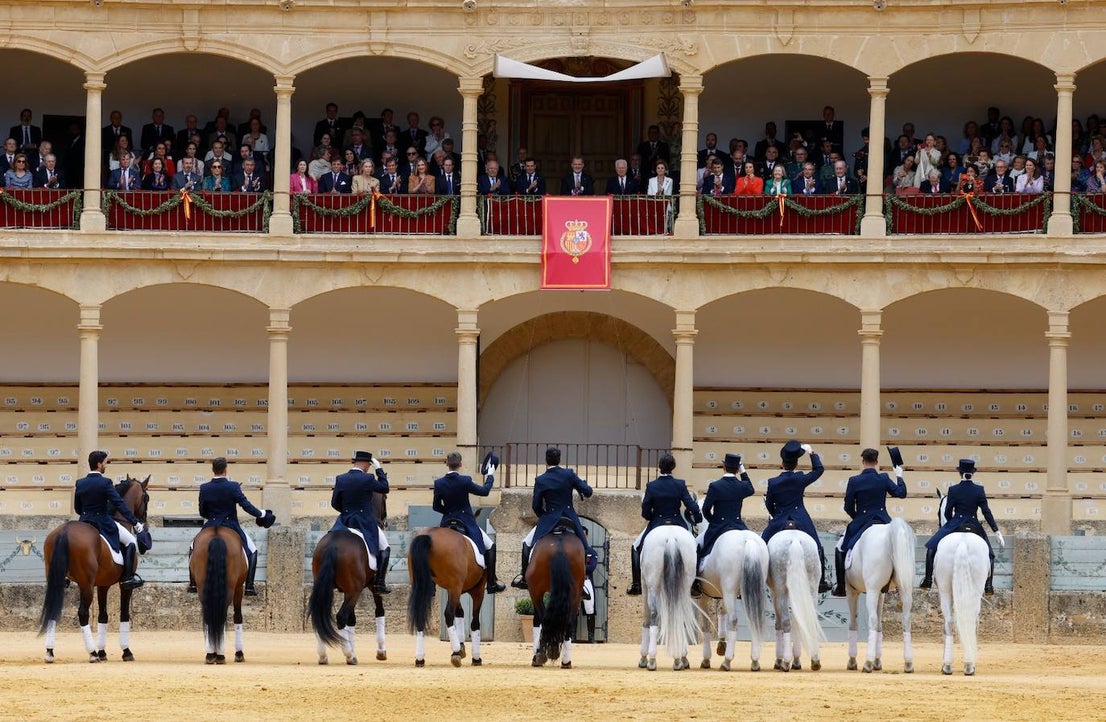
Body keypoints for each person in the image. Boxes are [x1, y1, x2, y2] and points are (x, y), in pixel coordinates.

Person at [511, 447, 597, 590]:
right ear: (559, 459)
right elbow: (588, 492)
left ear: (546, 461)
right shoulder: (569, 474)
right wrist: (582, 486)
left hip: (549, 519)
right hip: (569, 517)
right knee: (586, 548)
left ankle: (524, 578)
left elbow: (536, 505)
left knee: (527, 544)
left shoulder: (541, 479)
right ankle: (581, 584)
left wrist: (545, 517)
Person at [919, 459, 1001, 595]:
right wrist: (996, 530)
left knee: (931, 547)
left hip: (956, 522)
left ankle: (927, 580)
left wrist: (951, 524)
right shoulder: (979, 490)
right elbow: (986, 512)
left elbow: (946, 511)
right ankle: (988, 586)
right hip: (974, 523)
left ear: (960, 473)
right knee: (990, 554)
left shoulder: (953, 489)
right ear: (972, 473)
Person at [194, 457, 275, 595]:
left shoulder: (204, 488)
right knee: (252, 550)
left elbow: (202, 512)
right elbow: (246, 506)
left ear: (213, 470)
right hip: (230, 524)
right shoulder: (233, 486)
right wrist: (261, 514)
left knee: (193, 547)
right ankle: (249, 586)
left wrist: (213, 516)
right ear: (225, 470)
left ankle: (192, 584)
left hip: (211, 523)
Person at [833, 448, 907, 597]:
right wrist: (899, 476)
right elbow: (901, 493)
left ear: (863, 461)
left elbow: (848, 506)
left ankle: (840, 586)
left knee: (841, 547)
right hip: (883, 520)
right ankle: (901, 582)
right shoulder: (884, 478)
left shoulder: (854, 481)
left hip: (862, 521)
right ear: (877, 462)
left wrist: (858, 517)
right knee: (899, 546)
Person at [626, 453, 702, 596]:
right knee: (695, 546)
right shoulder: (680, 484)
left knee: (635, 547)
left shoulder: (652, 486)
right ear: (673, 467)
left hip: (657, 523)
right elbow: (691, 505)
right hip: (678, 523)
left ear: (659, 467)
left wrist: (651, 516)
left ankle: (636, 584)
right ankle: (696, 583)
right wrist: (697, 517)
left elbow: (645, 512)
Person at [762, 440, 832, 594]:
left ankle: (758, 580)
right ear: (796, 464)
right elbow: (819, 470)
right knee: (817, 546)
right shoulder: (800, 478)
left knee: (761, 544)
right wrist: (811, 453)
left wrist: (776, 514)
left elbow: (769, 504)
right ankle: (821, 581)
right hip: (800, 517)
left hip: (779, 519)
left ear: (782, 463)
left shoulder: (773, 482)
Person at [432, 451, 505, 594]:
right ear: (460, 464)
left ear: (446, 464)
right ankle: (491, 583)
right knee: (490, 546)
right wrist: (490, 475)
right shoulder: (465, 480)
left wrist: (448, 512)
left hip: (447, 521)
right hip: (466, 521)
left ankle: (430, 585)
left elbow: (436, 506)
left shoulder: (439, 483)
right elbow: (484, 491)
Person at [75, 450, 145, 590]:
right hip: (102, 521)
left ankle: (67, 574)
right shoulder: (105, 482)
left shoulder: (80, 483)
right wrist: (135, 522)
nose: (106, 465)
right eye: (105, 463)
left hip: (83, 521)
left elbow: (77, 508)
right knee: (131, 541)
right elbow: (119, 503)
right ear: (99, 464)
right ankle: (127, 578)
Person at [331, 451, 392, 594]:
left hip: (345, 520)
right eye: (369, 465)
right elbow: (385, 488)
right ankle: (380, 584)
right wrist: (379, 469)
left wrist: (347, 511)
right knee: (385, 548)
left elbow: (334, 503)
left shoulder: (341, 478)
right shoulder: (368, 478)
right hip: (364, 521)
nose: (369, 468)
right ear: (366, 464)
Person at [693, 453, 754, 592]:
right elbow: (751, 488)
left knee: (696, 545)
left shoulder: (715, 486)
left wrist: (713, 522)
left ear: (724, 467)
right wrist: (743, 471)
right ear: (737, 470)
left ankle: (695, 583)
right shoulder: (741, 486)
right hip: (738, 526)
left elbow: (706, 509)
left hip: (719, 526)